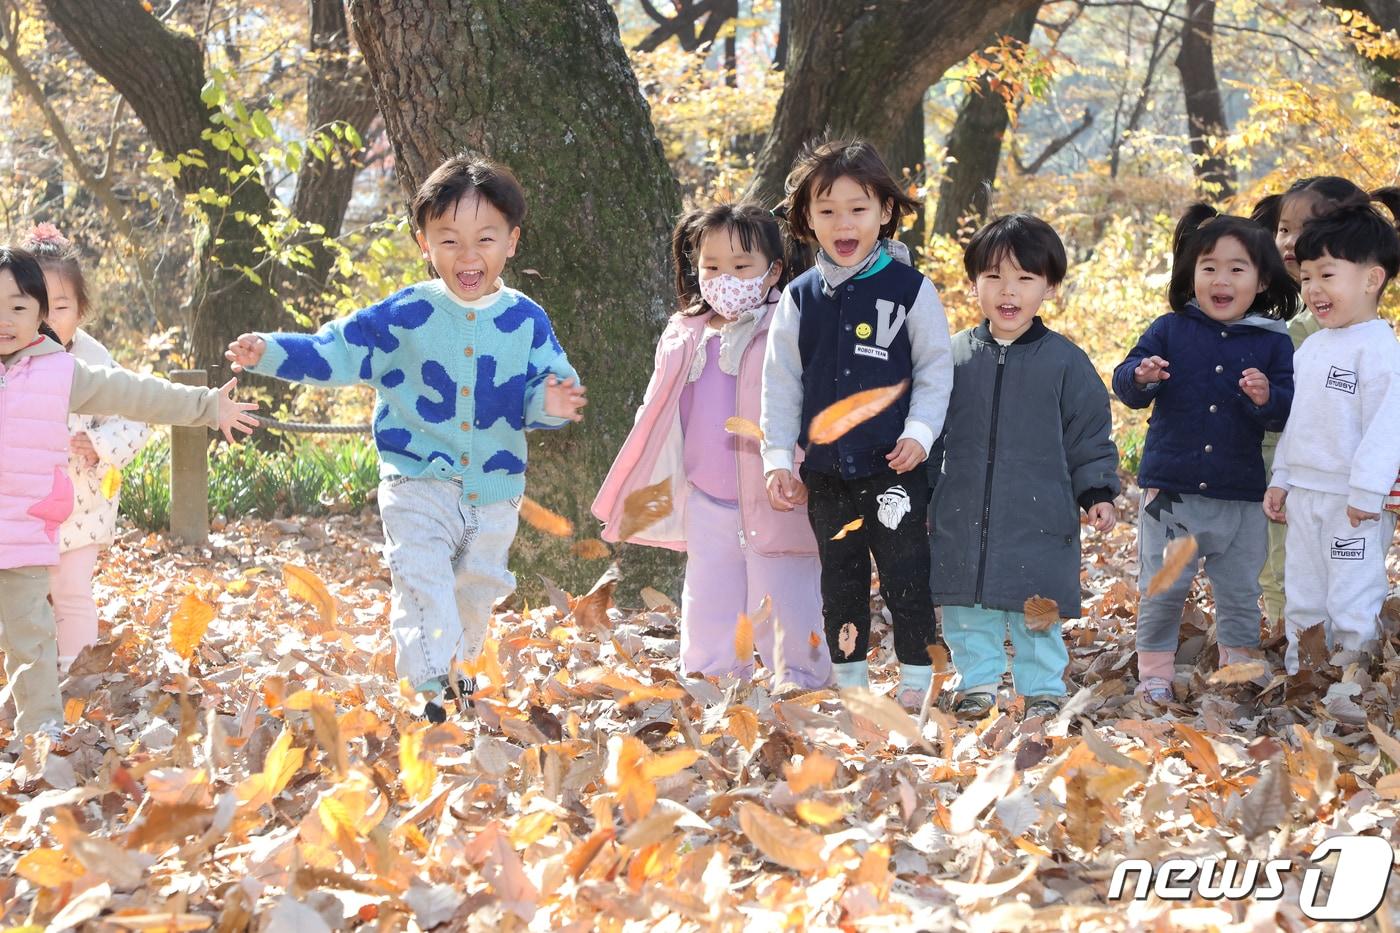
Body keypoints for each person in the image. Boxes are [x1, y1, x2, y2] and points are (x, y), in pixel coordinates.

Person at [227, 155, 586, 722]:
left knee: (475, 592)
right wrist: (271, 352)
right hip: (416, 481)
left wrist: (551, 404)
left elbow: (544, 385)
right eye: (449, 239)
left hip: (495, 490)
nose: (468, 256)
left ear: (511, 242)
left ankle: (461, 677)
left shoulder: (526, 319)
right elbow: (339, 351)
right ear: (424, 242)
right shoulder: (406, 315)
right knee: (423, 583)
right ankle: (428, 692)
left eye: (484, 239)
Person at [1, 246, 257, 738]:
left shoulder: (62, 373)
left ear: (39, 312)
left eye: (17, 307)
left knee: (30, 638)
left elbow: (136, 393)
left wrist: (207, 406)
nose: (4, 320)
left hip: (24, 533)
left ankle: (42, 732)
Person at [593, 202, 829, 689]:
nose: (726, 277)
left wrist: (805, 466)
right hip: (707, 496)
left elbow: (810, 404)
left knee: (784, 591)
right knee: (710, 593)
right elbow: (656, 407)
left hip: (778, 492)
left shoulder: (790, 327)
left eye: (742, 266)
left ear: (774, 270)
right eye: (712, 266)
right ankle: (712, 678)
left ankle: (799, 679)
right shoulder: (685, 333)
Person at [761, 137, 953, 708]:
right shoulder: (798, 299)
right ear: (806, 221)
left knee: (906, 576)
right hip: (826, 474)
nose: (843, 223)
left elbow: (935, 371)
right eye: (827, 211)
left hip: (894, 467)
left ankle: (918, 680)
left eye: (858, 209)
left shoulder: (911, 291)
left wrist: (919, 434)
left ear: (885, 212)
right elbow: (781, 383)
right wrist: (776, 458)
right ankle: (852, 685)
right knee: (840, 581)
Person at [930, 214, 1118, 721]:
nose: (1007, 291)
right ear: (974, 285)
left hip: (1041, 511)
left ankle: (1042, 687)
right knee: (967, 606)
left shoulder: (1065, 363)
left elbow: (1088, 432)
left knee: (1037, 606)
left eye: (1024, 279)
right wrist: (919, 493)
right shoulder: (953, 358)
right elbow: (928, 431)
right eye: (993, 277)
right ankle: (977, 683)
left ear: (1049, 287)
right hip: (965, 507)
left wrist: (1097, 490)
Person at [1113, 210, 1298, 704]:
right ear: (1191, 274)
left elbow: (1285, 412)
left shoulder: (1272, 343)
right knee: (1165, 587)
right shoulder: (1170, 330)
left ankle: (1238, 670)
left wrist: (1266, 399)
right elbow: (1124, 380)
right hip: (1173, 495)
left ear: (1260, 281)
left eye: (1237, 269)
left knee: (1239, 590)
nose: (1221, 279)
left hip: (1240, 496)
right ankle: (1155, 672)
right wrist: (1141, 375)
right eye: (1209, 266)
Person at [1265, 200, 1400, 673]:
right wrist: (1281, 477)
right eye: (1305, 278)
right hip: (1306, 494)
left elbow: (1389, 427)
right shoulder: (1312, 348)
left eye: (1326, 275)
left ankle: (1352, 674)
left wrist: (1367, 490)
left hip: (1353, 502)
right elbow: (1299, 420)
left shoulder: (1381, 349)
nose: (1313, 289)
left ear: (1370, 279)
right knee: (1304, 587)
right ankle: (1303, 671)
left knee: (1351, 589)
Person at [21, 223, 152, 670]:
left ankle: (74, 669)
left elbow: (135, 417)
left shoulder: (95, 361)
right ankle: (31, 670)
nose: (48, 318)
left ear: (80, 310)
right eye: (36, 305)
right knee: (27, 593)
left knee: (72, 590)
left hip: (83, 503)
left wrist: (99, 444)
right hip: (22, 507)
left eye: (61, 306)